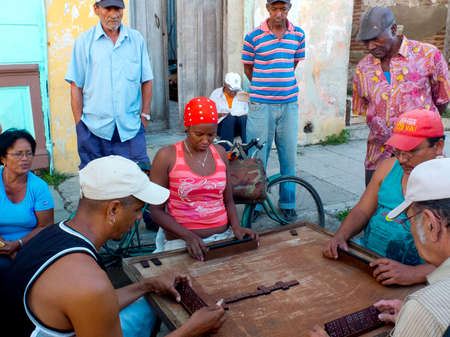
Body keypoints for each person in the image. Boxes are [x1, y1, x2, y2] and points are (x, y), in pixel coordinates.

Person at [2, 156, 225, 337]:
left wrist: (147, 285)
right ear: (113, 210)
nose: (139, 218)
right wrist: (191, 330)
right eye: (138, 209)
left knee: (145, 308)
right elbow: (93, 297)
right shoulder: (88, 283)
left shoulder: (56, 233)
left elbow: (94, 306)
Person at [311, 158, 450, 337]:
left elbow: (431, 312)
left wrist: (417, 317)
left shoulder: (426, 307)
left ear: (431, 225)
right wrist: (410, 320)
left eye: (409, 220)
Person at [323, 109, 445, 286]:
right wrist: (341, 236)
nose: (402, 159)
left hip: (414, 282)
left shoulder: (445, 185)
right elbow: (363, 209)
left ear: (438, 146)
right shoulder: (388, 167)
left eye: (411, 151)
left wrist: (414, 274)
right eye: (398, 151)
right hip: (368, 260)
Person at [150, 97, 258, 261]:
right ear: (187, 127)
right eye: (199, 134)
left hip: (222, 238)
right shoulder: (167, 156)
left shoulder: (221, 153)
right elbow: (156, 211)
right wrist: (188, 236)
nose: (205, 140)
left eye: (211, 135)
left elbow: (228, 200)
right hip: (181, 242)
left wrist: (237, 227)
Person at [352, 6, 450, 186]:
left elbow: (442, 101)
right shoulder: (362, 68)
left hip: (419, 154)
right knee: (378, 207)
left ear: (394, 29)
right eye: (366, 41)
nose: (371, 46)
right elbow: (363, 108)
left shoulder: (428, 55)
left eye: (375, 39)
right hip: (379, 154)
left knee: (423, 205)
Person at [65, 0, 153, 169]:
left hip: (131, 130)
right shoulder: (84, 42)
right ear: (96, 9)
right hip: (93, 131)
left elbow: (147, 80)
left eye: (118, 8)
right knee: (96, 187)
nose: (114, 14)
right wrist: (79, 125)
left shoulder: (136, 40)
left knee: (137, 181)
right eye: (108, 8)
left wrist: (145, 116)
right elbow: (76, 86)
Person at [242, 0, 306, 220]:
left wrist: (280, 85)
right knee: (257, 156)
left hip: (289, 104)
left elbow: (293, 63)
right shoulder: (253, 37)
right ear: (267, 9)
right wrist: (263, 86)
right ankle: (255, 205)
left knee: (289, 155)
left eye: (283, 8)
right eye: (275, 8)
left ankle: (287, 203)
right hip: (261, 105)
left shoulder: (298, 34)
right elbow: (248, 67)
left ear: (289, 9)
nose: (279, 13)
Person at [0, 129, 54, 273]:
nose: (25, 159)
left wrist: (17, 244)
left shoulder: (39, 187)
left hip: (30, 244)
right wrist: (7, 249)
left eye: (29, 153)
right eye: (18, 154)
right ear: (3, 158)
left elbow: (46, 226)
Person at [209, 72, 248, 150]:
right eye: (231, 89)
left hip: (238, 127)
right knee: (230, 118)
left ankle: (246, 148)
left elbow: (249, 113)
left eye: (235, 90)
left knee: (244, 118)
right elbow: (209, 114)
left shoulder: (243, 95)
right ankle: (225, 150)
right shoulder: (216, 94)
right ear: (225, 84)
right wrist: (220, 115)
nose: (233, 92)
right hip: (221, 127)